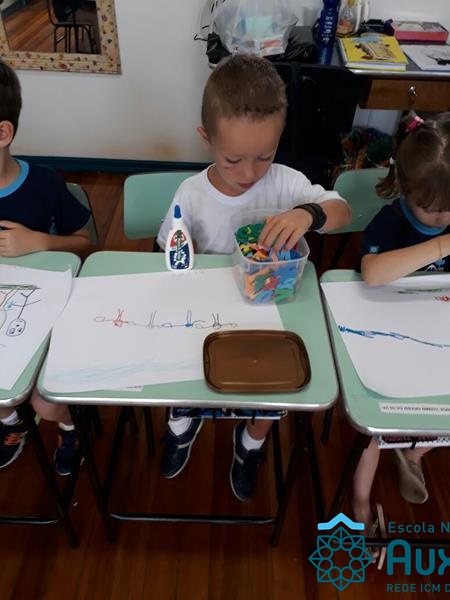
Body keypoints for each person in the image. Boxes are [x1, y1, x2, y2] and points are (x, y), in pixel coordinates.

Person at [157, 54, 351, 501]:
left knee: (278, 381)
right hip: (205, 313)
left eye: (265, 155)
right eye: (233, 159)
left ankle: (251, 441)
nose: (249, 174)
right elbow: (169, 255)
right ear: (206, 139)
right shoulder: (192, 194)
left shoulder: (286, 183)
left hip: (270, 311)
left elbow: (342, 211)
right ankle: (182, 425)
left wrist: (309, 213)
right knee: (178, 365)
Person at [353, 111, 450, 546]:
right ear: (407, 190)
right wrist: (441, 244)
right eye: (431, 209)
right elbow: (373, 273)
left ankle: (415, 453)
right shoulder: (393, 220)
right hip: (385, 334)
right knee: (375, 427)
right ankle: (360, 501)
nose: (441, 217)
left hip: (436, 333)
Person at [0, 59, 91, 474]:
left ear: (3, 133)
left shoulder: (43, 184)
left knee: (46, 401)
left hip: (47, 311)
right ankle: (12, 423)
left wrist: (40, 242)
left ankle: (70, 429)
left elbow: (85, 243)